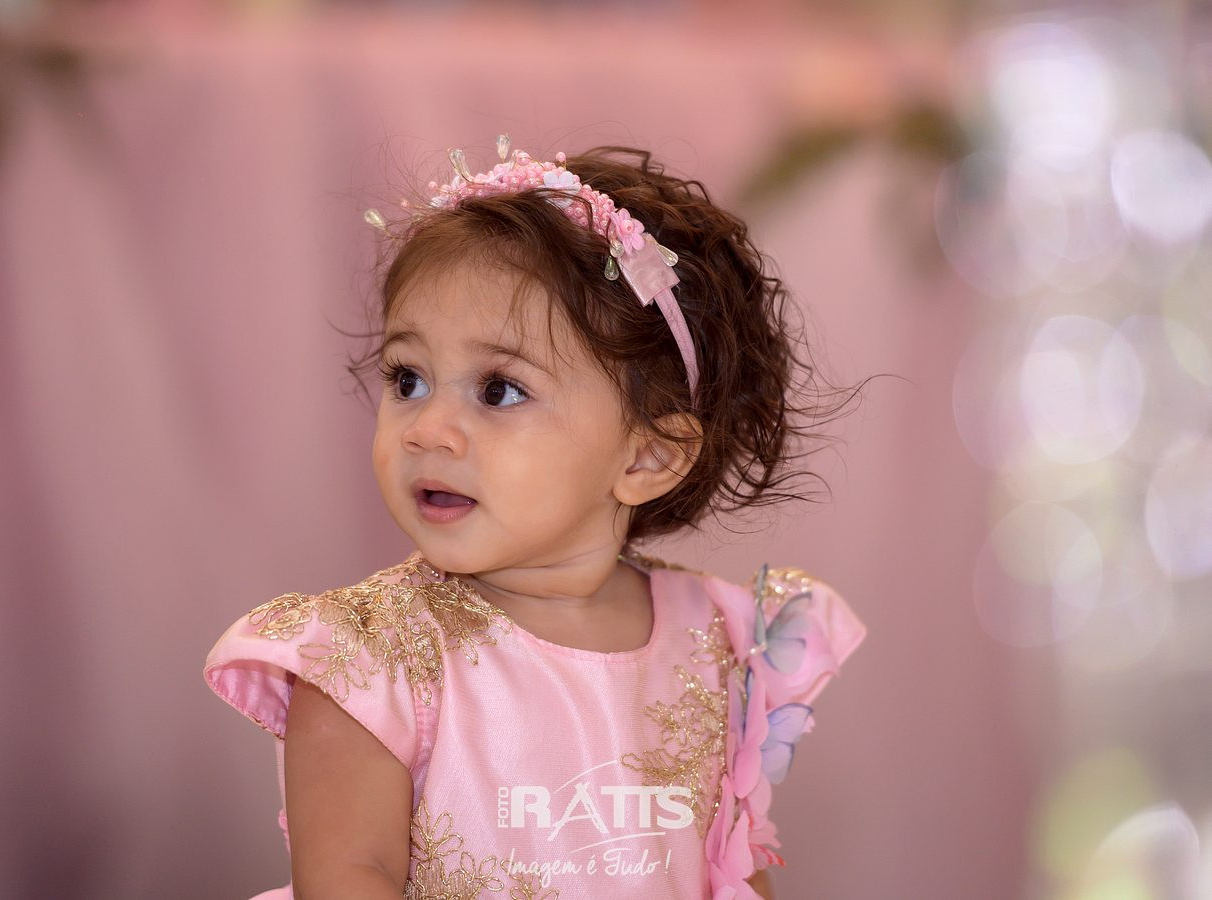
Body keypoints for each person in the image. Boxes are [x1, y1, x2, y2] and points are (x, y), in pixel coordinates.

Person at [204, 136, 869, 899]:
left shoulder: (717, 641)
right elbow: (349, 877)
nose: (426, 430)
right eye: (408, 378)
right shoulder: (365, 662)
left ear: (647, 457)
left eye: (498, 391)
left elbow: (733, 870)